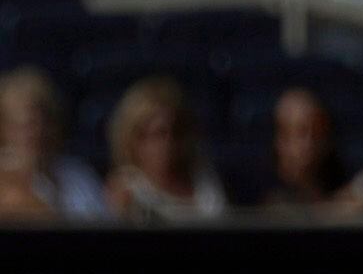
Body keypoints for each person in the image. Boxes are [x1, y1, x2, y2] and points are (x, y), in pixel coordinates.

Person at [264, 86, 363, 212]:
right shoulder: (273, 204)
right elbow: (318, 221)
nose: (308, 143)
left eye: (316, 132)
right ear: (278, 140)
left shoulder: (333, 181)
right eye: (297, 132)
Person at [104, 77, 227, 221]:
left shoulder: (204, 179)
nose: (170, 142)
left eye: (177, 132)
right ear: (135, 139)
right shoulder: (126, 192)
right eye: (159, 133)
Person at [0, 69, 108, 219]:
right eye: (26, 124)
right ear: (4, 128)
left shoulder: (79, 176)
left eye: (45, 122)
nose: (37, 132)